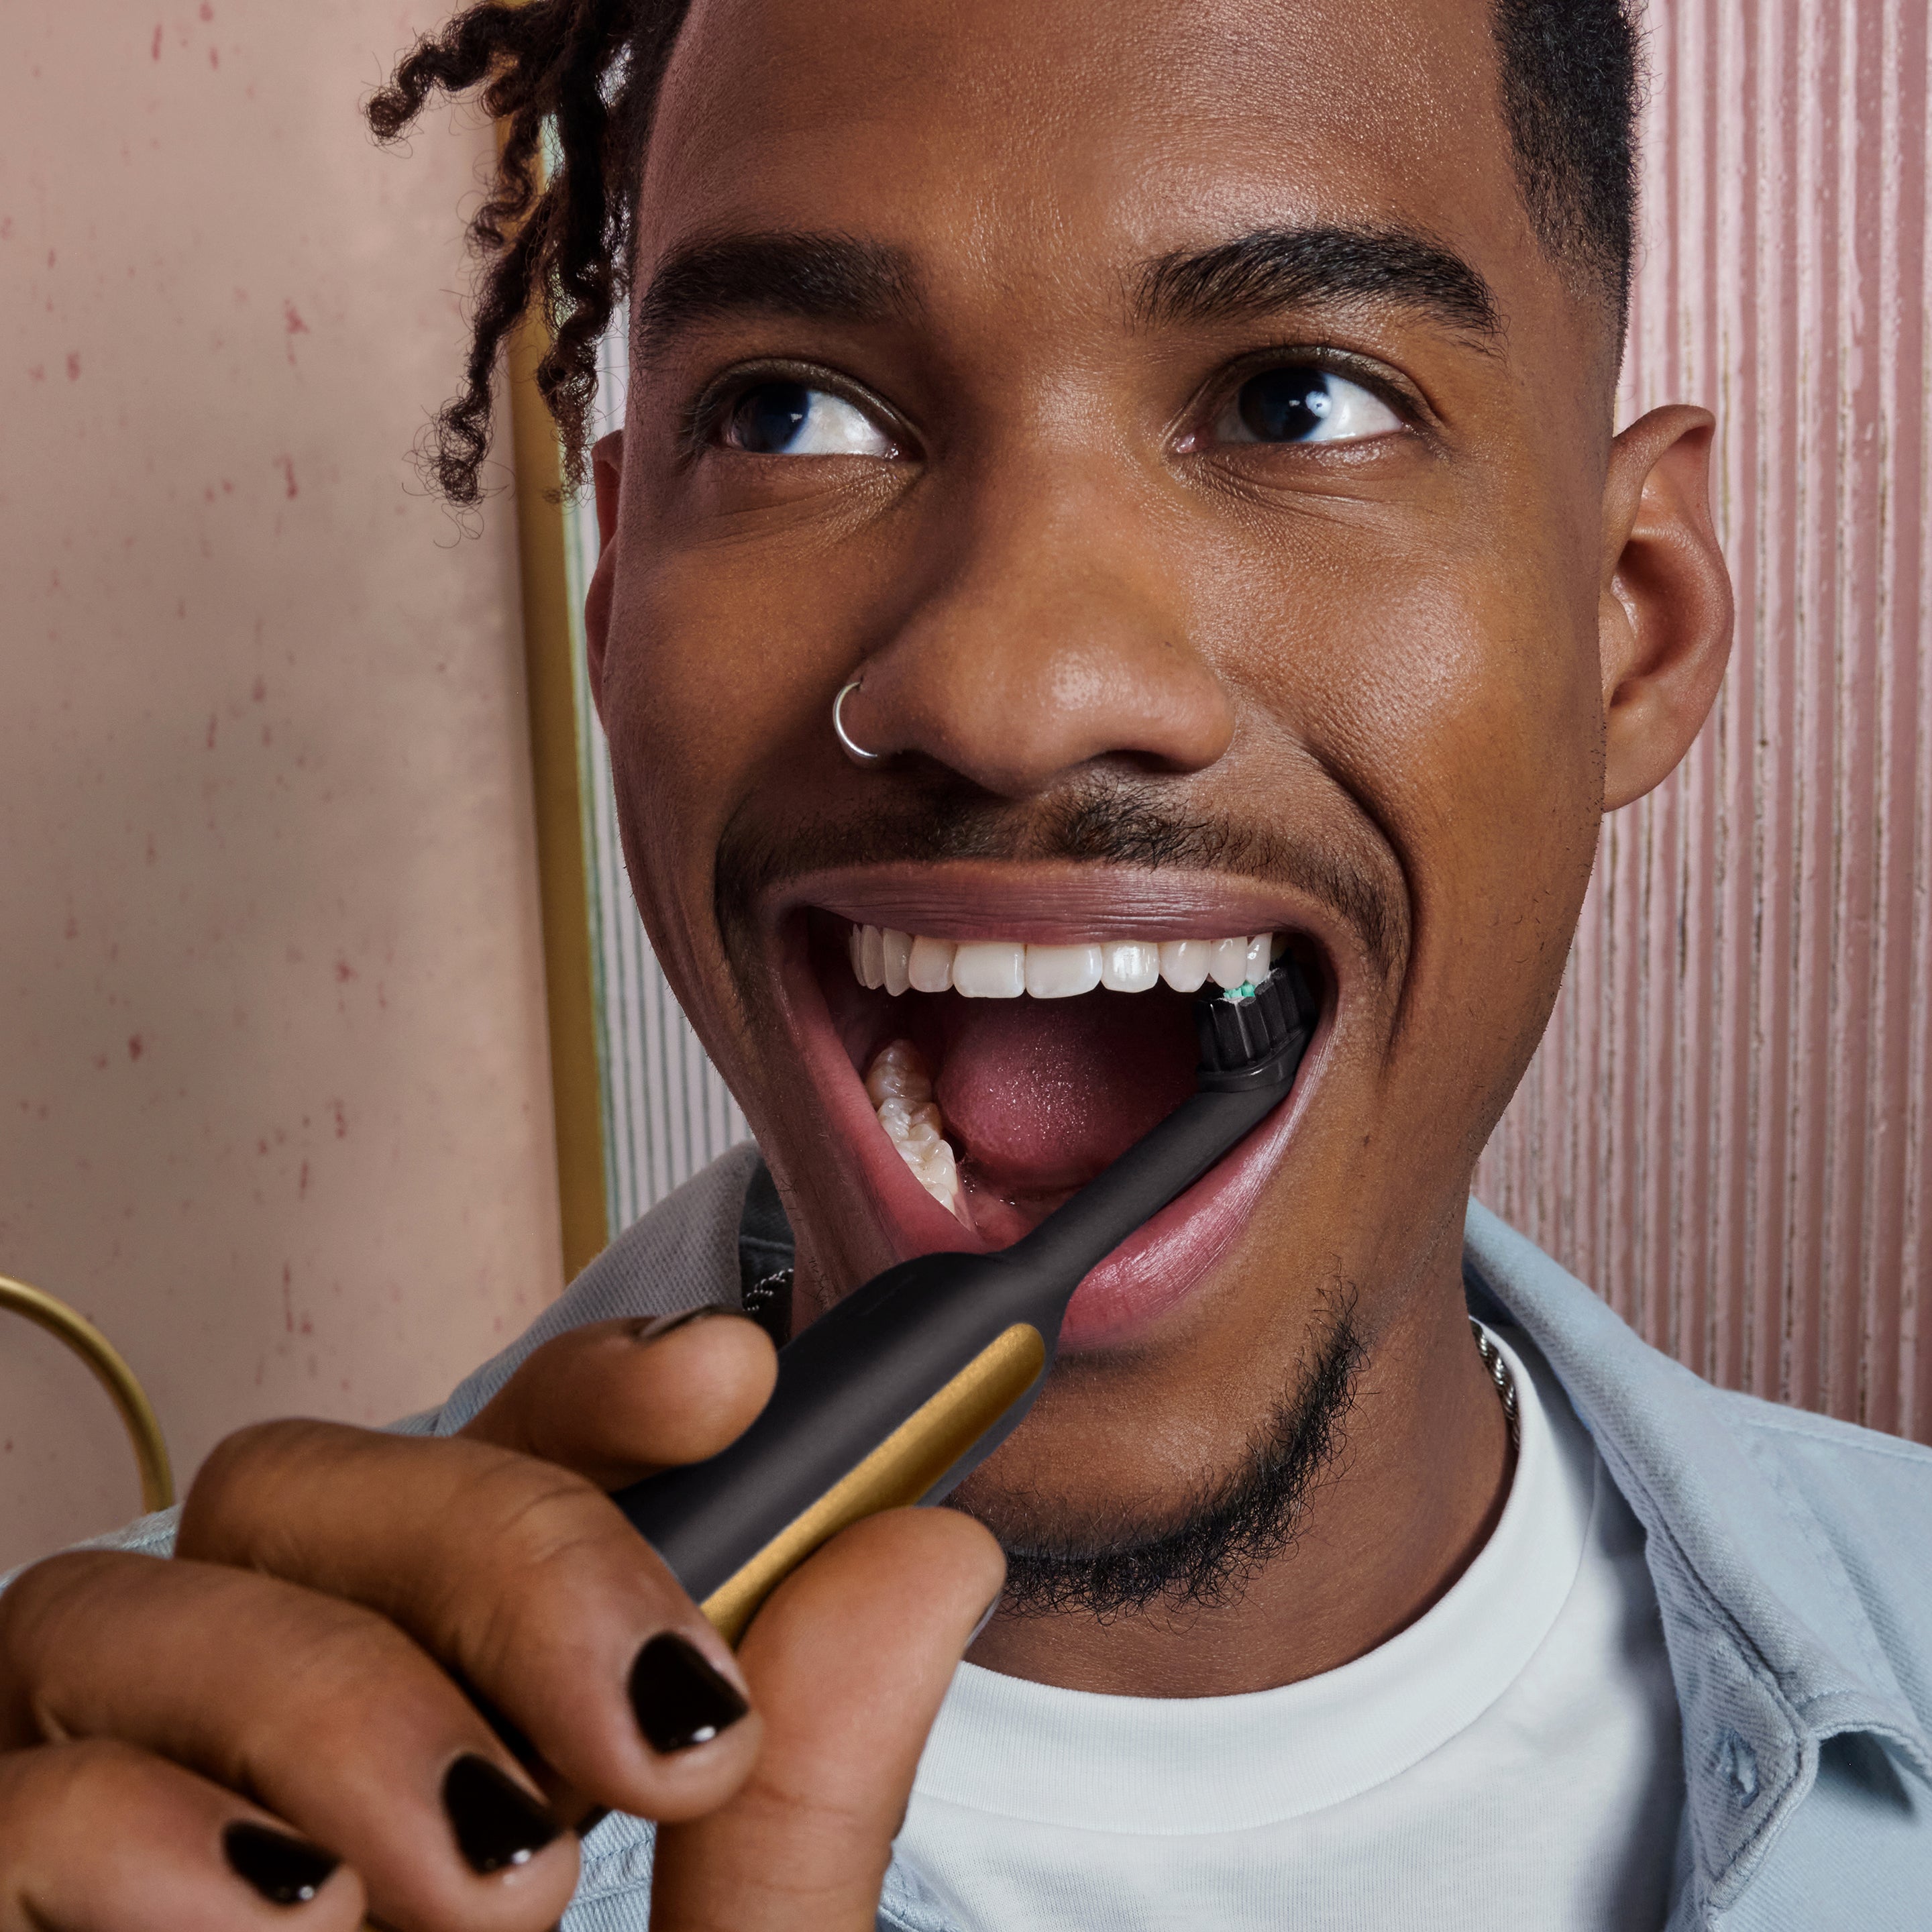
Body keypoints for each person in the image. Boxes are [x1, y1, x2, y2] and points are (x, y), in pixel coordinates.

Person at [5, 0, 1931, 1925]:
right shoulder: (131, 1832)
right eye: (787, 415)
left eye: (1298, 401)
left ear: (1635, 627)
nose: (1009, 690)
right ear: (614, 614)